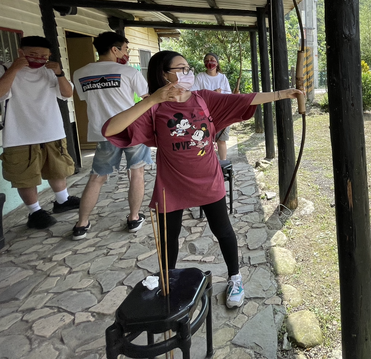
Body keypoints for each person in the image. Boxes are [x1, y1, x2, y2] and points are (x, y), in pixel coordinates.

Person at [102, 51, 303, 308]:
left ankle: (235, 278)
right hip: (171, 185)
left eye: (188, 68)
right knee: (168, 238)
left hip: (208, 179)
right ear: (164, 74)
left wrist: (282, 94)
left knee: (223, 231)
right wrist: (151, 100)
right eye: (180, 69)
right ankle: (169, 284)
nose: (188, 73)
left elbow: (245, 98)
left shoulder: (204, 99)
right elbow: (110, 129)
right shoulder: (153, 108)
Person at [71, 32, 154, 240]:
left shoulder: (80, 73)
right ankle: (134, 218)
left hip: (103, 132)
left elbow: (86, 100)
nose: (127, 53)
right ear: (115, 49)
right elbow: (147, 99)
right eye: (125, 49)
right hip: (132, 129)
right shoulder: (128, 72)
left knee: (97, 177)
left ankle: (82, 224)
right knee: (137, 173)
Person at [0, 36, 80, 229]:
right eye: (33, 54)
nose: (38, 59)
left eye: (43, 56)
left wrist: (60, 74)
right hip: (19, 134)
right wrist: (14, 69)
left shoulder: (50, 70)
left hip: (52, 129)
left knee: (57, 169)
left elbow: (67, 94)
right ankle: (35, 211)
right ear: (21, 52)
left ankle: (62, 200)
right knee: (25, 176)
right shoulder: (5, 69)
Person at [191, 53, 232, 160]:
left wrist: (218, 96)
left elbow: (228, 95)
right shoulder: (200, 77)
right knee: (206, 140)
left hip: (221, 113)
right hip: (204, 114)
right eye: (207, 60)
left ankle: (223, 163)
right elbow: (193, 94)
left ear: (217, 63)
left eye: (212, 59)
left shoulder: (222, 78)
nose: (209, 62)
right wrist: (212, 93)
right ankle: (210, 163)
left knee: (221, 140)